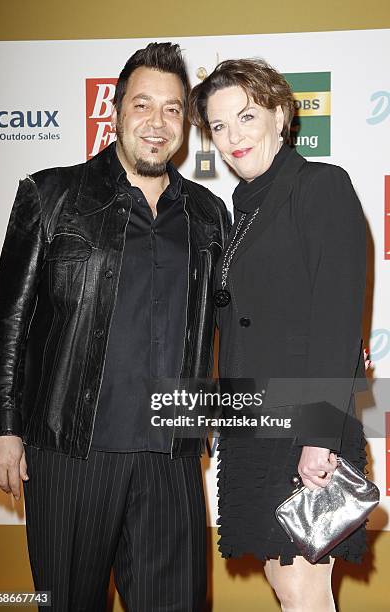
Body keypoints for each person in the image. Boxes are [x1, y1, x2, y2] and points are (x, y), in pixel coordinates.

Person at [0, 42, 229, 612]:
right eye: (143, 105)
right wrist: (0, 425)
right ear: (114, 112)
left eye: (172, 109)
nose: (157, 122)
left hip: (170, 459)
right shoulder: (52, 195)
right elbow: (7, 319)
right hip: (69, 455)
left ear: (186, 125)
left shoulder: (207, 214)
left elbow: (236, 317)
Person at [189, 58, 367, 611]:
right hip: (252, 426)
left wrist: (321, 436)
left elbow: (337, 319)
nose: (232, 137)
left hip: (301, 429)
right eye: (219, 126)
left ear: (281, 114)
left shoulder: (319, 185)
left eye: (246, 116)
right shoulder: (240, 211)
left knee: (301, 588)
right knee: (285, 583)